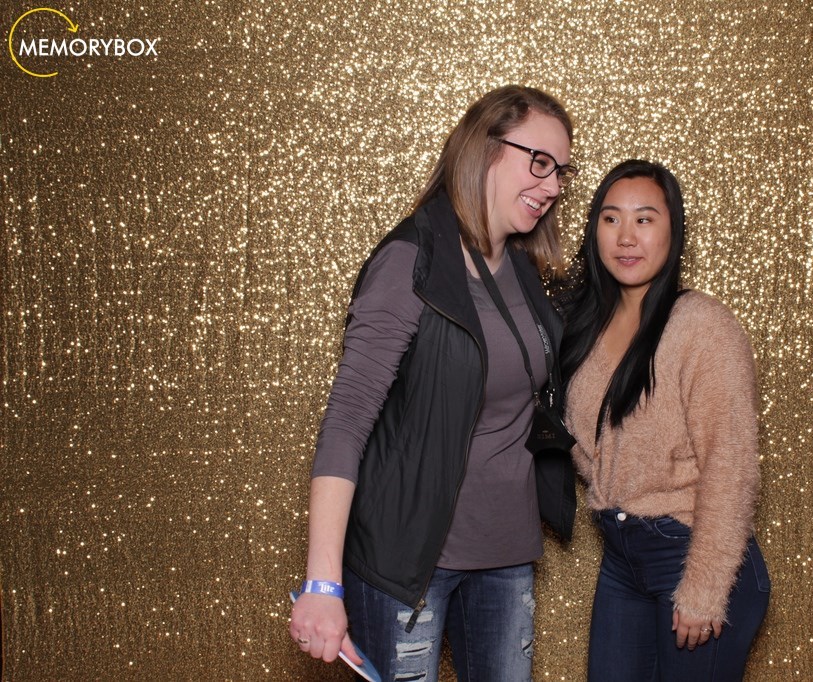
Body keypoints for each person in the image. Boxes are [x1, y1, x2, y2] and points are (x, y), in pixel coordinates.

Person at [289, 86, 578, 682]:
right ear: (482, 148)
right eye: (539, 162)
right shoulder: (409, 262)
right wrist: (322, 583)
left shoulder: (522, 267)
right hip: (409, 562)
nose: (552, 186)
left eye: (561, 171)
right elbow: (347, 421)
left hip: (507, 556)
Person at [559, 160, 770, 681]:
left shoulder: (701, 324)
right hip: (621, 557)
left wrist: (705, 587)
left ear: (673, 231)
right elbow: (588, 442)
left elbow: (731, 463)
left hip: (691, 554)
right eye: (611, 219)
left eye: (644, 219)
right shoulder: (586, 326)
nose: (626, 237)